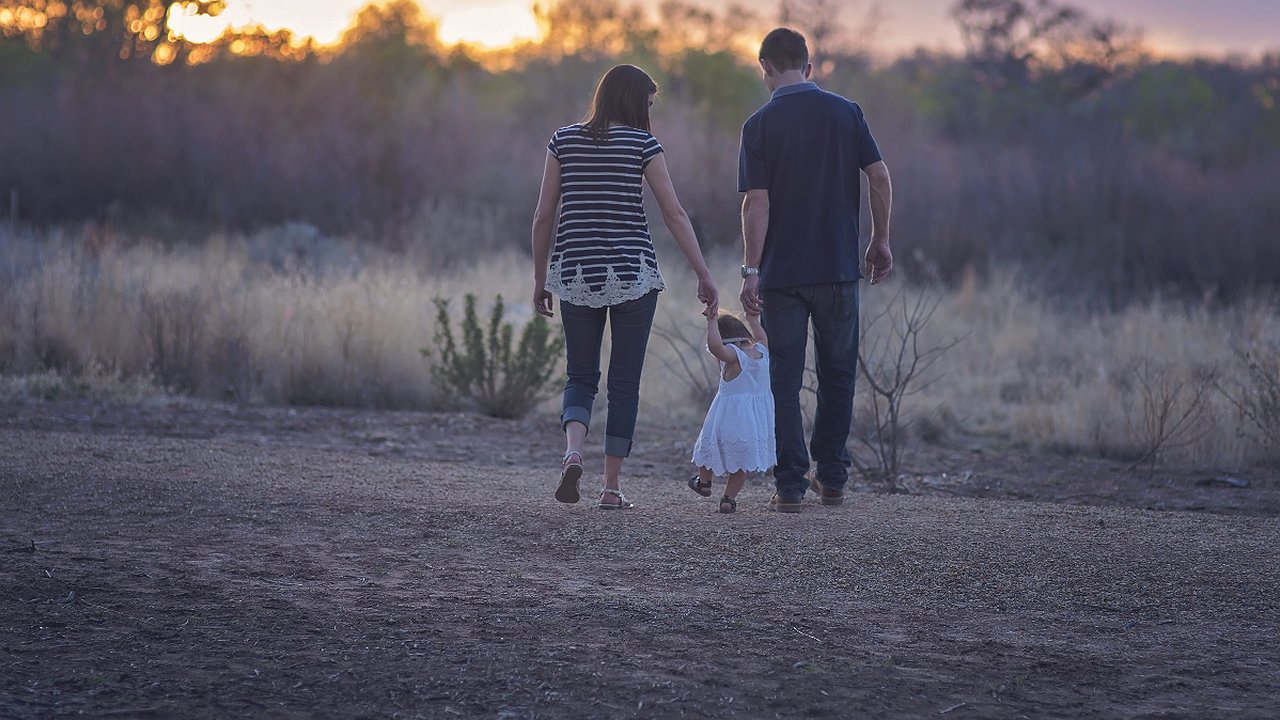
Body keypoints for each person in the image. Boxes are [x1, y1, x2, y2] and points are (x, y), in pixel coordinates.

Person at [531, 64, 719, 510]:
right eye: (649, 104)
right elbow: (674, 214)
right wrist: (703, 273)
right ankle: (611, 488)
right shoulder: (643, 144)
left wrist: (541, 279)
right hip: (634, 274)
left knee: (580, 375)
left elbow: (542, 216)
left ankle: (574, 451)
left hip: (576, 273)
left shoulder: (563, 140)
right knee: (624, 383)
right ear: (635, 102)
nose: (650, 113)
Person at [737, 28, 894, 513]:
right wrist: (880, 239)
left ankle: (789, 486)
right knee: (838, 374)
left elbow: (755, 203)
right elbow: (880, 176)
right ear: (809, 66)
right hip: (839, 270)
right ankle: (833, 478)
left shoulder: (758, 125)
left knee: (783, 379)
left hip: (782, 276)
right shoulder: (847, 113)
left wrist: (750, 269)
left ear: (764, 67)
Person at [688, 308, 775, 514]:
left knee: (709, 449)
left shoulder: (734, 357)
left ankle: (704, 483)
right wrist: (753, 320)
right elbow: (761, 336)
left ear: (727, 341)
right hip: (753, 422)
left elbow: (716, 346)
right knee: (740, 464)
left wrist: (711, 323)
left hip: (728, 418)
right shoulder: (762, 352)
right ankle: (728, 499)